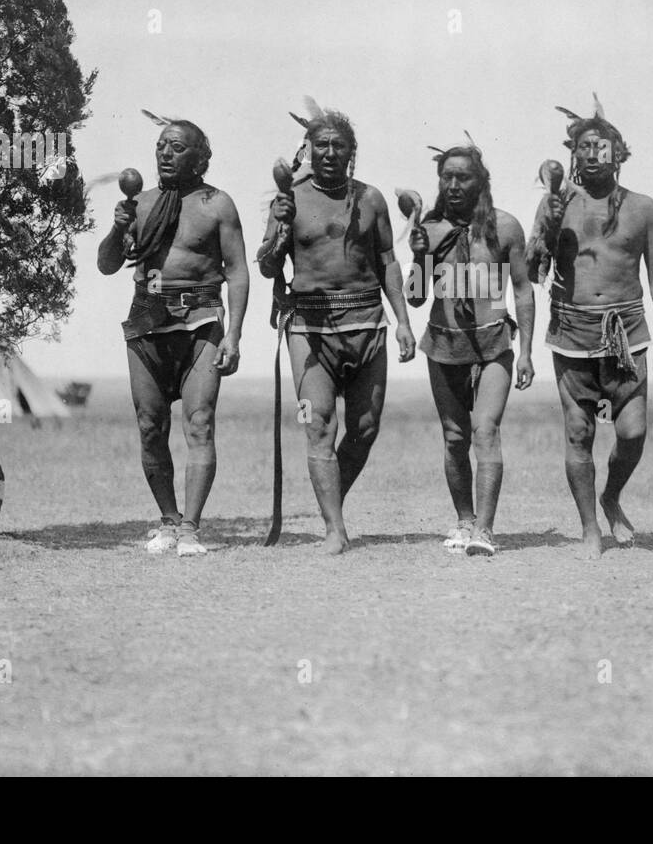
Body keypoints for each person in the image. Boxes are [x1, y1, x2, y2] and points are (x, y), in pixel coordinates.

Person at [527, 95, 653, 559]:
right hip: (572, 334)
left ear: (619, 154)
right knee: (579, 433)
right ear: (572, 155)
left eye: (603, 146)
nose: (594, 153)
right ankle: (589, 530)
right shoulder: (555, 205)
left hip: (627, 335)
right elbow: (530, 273)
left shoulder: (642, 208)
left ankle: (611, 496)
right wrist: (545, 231)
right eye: (585, 146)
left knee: (633, 432)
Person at [257, 100, 415, 554]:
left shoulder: (371, 199)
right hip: (308, 331)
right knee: (316, 424)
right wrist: (279, 230)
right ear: (307, 149)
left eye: (338, 146)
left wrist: (403, 321)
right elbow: (268, 268)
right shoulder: (288, 200)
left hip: (368, 325)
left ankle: (332, 503)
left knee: (365, 427)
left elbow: (387, 262)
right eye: (321, 144)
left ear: (352, 152)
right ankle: (335, 529)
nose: (329, 152)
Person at [96, 115, 248, 556]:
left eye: (177, 147)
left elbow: (237, 273)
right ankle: (168, 520)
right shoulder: (139, 205)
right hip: (147, 320)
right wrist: (118, 226)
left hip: (201, 321)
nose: (165, 152)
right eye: (161, 145)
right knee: (149, 426)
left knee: (199, 423)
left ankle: (191, 529)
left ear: (199, 158)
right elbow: (107, 264)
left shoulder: (217, 204)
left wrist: (233, 336)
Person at [404, 136, 535, 556]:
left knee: (486, 430)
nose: (455, 185)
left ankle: (485, 529)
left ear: (481, 181)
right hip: (444, 345)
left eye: (464, 177)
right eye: (448, 177)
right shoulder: (431, 229)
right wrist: (421, 256)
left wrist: (528, 350)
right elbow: (416, 297)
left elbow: (522, 290)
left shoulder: (504, 226)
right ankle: (463, 520)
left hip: (494, 341)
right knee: (455, 436)